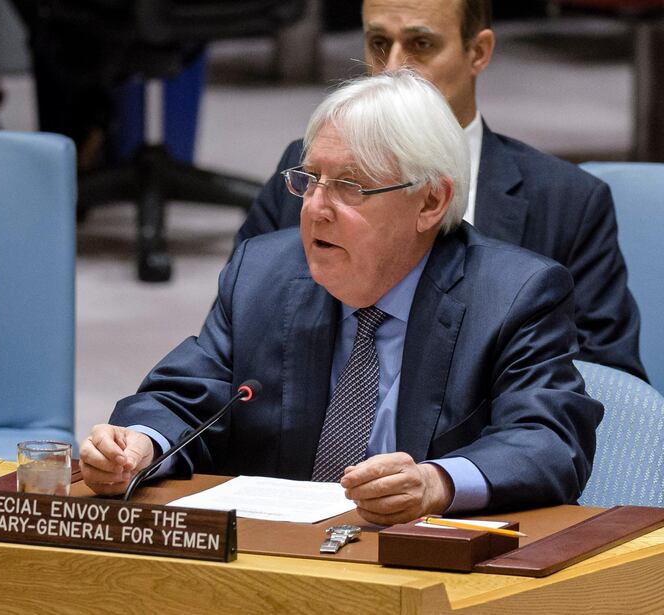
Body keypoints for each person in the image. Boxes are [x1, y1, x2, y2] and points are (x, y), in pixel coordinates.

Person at [80, 71, 603, 525]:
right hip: (277, 562)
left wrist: (437, 483)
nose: (315, 209)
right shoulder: (263, 273)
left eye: (350, 186)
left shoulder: (513, 295)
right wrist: (141, 444)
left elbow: (548, 439)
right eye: (310, 180)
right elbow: (186, 396)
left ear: (431, 200)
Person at [235, 0, 646, 381]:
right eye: (379, 43)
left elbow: (610, 385)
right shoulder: (307, 173)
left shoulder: (566, 200)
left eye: (420, 44)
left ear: (478, 52)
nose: (393, 67)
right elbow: (238, 333)